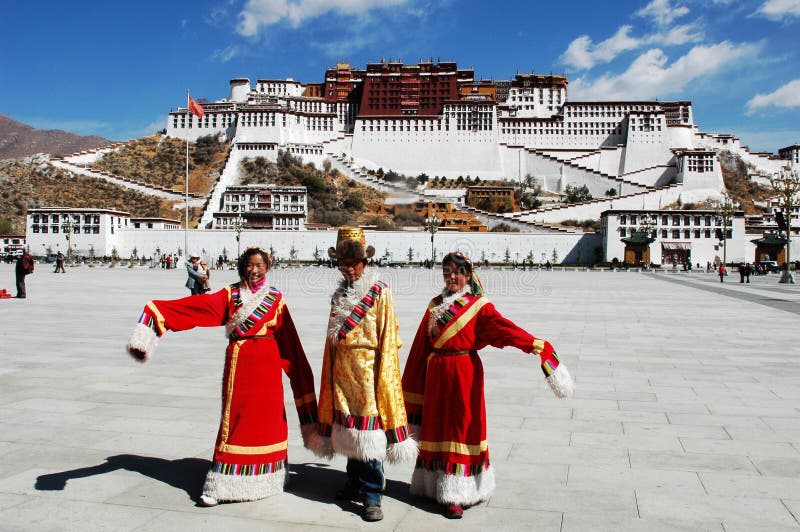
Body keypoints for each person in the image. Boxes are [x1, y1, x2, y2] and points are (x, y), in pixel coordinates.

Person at [126, 246, 318, 506]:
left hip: (269, 370)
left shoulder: (276, 299)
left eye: (260, 265)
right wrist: (157, 313)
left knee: (269, 419)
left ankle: (271, 476)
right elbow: (197, 307)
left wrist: (301, 381)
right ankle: (224, 481)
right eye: (250, 265)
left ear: (268, 268)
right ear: (242, 267)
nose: (255, 270)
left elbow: (290, 344)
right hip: (240, 367)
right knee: (235, 420)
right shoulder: (231, 294)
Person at [401, 252, 574, 519]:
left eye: (458, 272)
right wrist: (409, 386)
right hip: (436, 376)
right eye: (447, 271)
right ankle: (433, 485)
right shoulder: (434, 305)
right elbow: (419, 347)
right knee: (436, 425)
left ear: (468, 275)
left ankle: (457, 493)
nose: (452, 277)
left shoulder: (479, 306)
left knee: (461, 427)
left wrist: (536, 345)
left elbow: (504, 329)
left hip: (463, 374)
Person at [307, 228, 416, 523]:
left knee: (369, 432)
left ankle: (371, 494)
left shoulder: (380, 292)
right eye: (344, 262)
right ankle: (353, 481)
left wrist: (385, 372)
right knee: (348, 431)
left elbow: (387, 335)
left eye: (354, 262)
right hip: (342, 371)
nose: (349, 268)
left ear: (365, 261)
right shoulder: (338, 295)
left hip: (368, 371)